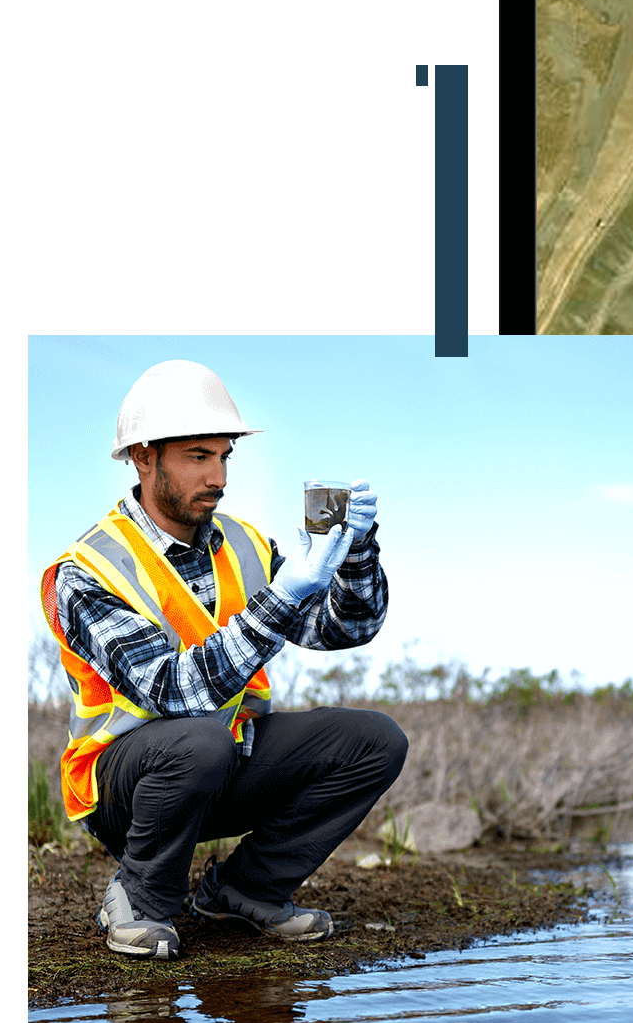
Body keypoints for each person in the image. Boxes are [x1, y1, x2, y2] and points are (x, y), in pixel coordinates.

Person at [38, 359, 407, 959]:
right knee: (195, 741)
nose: (219, 477)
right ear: (142, 457)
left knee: (375, 741)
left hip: (228, 759)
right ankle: (141, 899)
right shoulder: (87, 570)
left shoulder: (246, 544)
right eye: (197, 456)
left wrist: (357, 552)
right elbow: (171, 691)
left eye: (224, 456)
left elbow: (347, 628)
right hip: (129, 787)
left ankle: (245, 891)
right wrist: (284, 596)